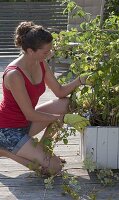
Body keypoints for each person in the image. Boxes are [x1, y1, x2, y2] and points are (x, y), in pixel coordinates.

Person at [0, 21, 89, 176]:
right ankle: (5, 151)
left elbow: (60, 92)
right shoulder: (14, 75)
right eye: (45, 51)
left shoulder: (40, 63)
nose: (50, 54)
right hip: (8, 130)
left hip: (26, 123)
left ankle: (44, 151)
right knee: (54, 169)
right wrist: (63, 119)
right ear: (30, 50)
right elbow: (30, 114)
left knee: (66, 103)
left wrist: (80, 80)